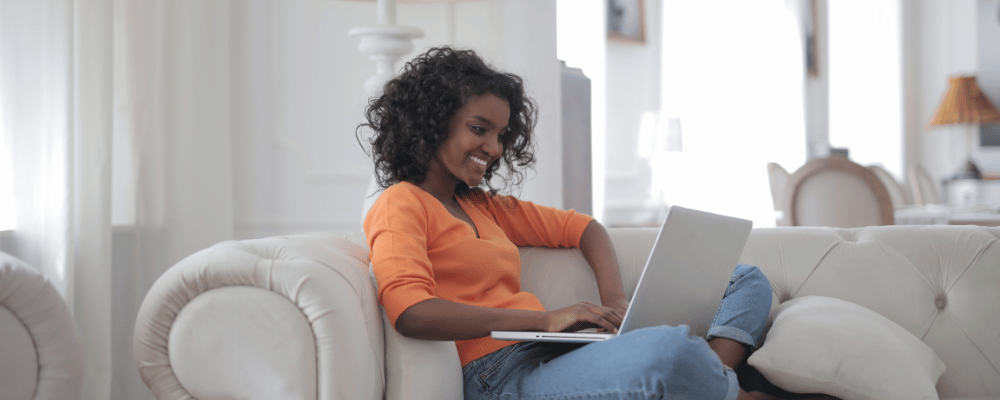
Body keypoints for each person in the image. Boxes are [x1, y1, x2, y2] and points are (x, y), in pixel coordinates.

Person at [359, 46, 825, 400]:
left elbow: (585, 228)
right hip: (497, 374)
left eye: (501, 135)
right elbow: (411, 312)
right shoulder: (400, 204)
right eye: (480, 129)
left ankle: (712, 382)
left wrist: (615, 299)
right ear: (431, 122)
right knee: (669, 350)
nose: (496, 148)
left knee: (746, 279)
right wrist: (543, 318)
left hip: (552, 352)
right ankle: (734, 391)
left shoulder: (485, 206)